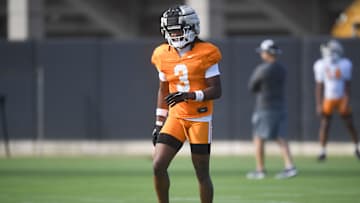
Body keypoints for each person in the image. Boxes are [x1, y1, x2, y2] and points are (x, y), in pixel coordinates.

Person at [151, 5, 222, 203]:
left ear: (191, 28)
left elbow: (216, 90)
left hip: (199, 119)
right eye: (170, 31)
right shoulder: (162, 54)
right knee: (158, 165)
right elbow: (163, 90)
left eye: (177, 30)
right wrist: (159, 123)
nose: (173, 35)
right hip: (176, 117)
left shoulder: (207, 52)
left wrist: (189, 95)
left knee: (201, 173)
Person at [246, 39, 297, 180]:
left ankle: (260, 169)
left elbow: (252, 86)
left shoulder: (263, 69)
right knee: (281, 137)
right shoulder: (282, 69)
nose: (261, 54)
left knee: (258, 138)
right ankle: (289, 166)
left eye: (263, 52)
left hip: (265, 107)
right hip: (280, 106)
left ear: (267, 53)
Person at [313, 39, 360, 161]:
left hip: (341, 98)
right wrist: (319, 103)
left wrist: (346, 100)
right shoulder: (321, 65)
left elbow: (347, 84)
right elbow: (319, 86)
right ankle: (322, 151)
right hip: (328, 98)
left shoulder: (345, 64)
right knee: (325, 125)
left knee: (349, 124)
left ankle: (357, 147)